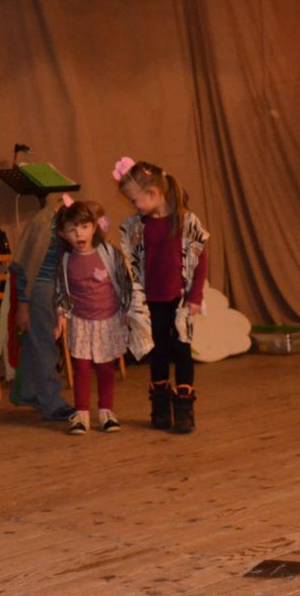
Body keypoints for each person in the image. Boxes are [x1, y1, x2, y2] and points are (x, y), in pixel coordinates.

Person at [114, 157, 209, 434]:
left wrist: (195, 295)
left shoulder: (185, 221)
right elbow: (130, 264)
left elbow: (200, 260)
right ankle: (160, 406)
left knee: (181, 350)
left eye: (135, 200)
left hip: (179, 300)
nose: (134, 206)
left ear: (154, 193)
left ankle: (184, 408)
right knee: (157, 351)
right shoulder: (137, 227)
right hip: (150, 301)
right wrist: (131, 301)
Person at [52, 200, 131, 435]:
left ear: (94, 227)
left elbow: (125, 282)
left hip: (108, 320)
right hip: (81, 322)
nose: (79, 234)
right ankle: (82, 413)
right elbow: (61, 290)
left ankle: (106, 412)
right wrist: (61, 316)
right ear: (63, 234)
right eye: (72, 229)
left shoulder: (109, 253)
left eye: (84, 227)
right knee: (82, 368)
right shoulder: (65, 260)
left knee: (106, 368)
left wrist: (128, 311)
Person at [8, 201, 77, 422]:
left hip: (47, 287)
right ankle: (52, 403)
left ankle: (27, 393)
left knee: (34, 343)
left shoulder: (52, 221)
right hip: (40, 289)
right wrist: (23, 305)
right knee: (45, 345)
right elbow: (28, 268)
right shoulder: (45, 226)